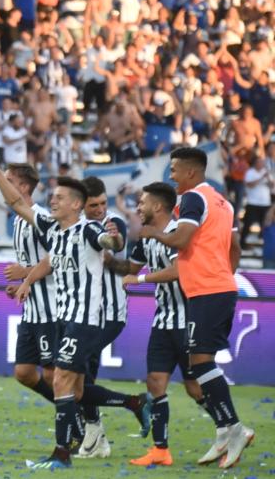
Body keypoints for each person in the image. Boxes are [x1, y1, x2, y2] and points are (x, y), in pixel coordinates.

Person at [0, 145, 135, 470]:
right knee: (70, 388)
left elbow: (110, 243)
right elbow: (17, 202)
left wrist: (115, 239)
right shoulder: (54, 231)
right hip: (62, 318)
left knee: (60, 380)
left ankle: (63, 453)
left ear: (76, 204)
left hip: (85, 319)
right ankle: (133, 403)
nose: (53, 200)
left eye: (59, 197)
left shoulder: (88, 228)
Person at [138, 147, 254, 469]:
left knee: (200, 364)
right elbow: (236, 247)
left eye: (174, 169)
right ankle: (223, 431)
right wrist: (224, 276)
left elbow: (181, 241)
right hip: (217, 288)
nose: (170, 175)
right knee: (199, 361)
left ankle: (234, 427)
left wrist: (154, 233)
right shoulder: (224, 202)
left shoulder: (191, 198)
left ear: (191, 172)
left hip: (207, 291)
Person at [103, 182, 204, 467]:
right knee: (155, 382)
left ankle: (228, 427)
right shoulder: (145, 238)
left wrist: (142, 280)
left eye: (142, 202)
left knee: (195, 389)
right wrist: (109, 260)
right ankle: (161, 449)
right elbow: (131, 269)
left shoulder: (177, 236)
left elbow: (179, 272)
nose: (138, 207)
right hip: (163, 321)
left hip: (187, 321)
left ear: (157, 206)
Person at [75, 175, 143, 458]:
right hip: (83, 311)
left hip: (109, 313)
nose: (101, 210)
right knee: (82, 372)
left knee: (76, 368)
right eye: (94, 205)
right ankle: (96, 436)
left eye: (103, 203)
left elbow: (117, 246)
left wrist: (113, 243)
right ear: (82, 205)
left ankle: (98, 428)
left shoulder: (114, 223)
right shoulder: (76, 224)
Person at [0, 161, 60, 404]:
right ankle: (73, 412)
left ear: (23, 186)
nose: (4, 188)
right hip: (32, 309)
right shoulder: (18, 221)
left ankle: (80, 418)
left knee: (54, 374)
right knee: (24, 373)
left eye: (9, 181)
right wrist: (24, 282)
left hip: (51, 309)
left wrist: (25, 272)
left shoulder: (41, 218)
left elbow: (58, 260)